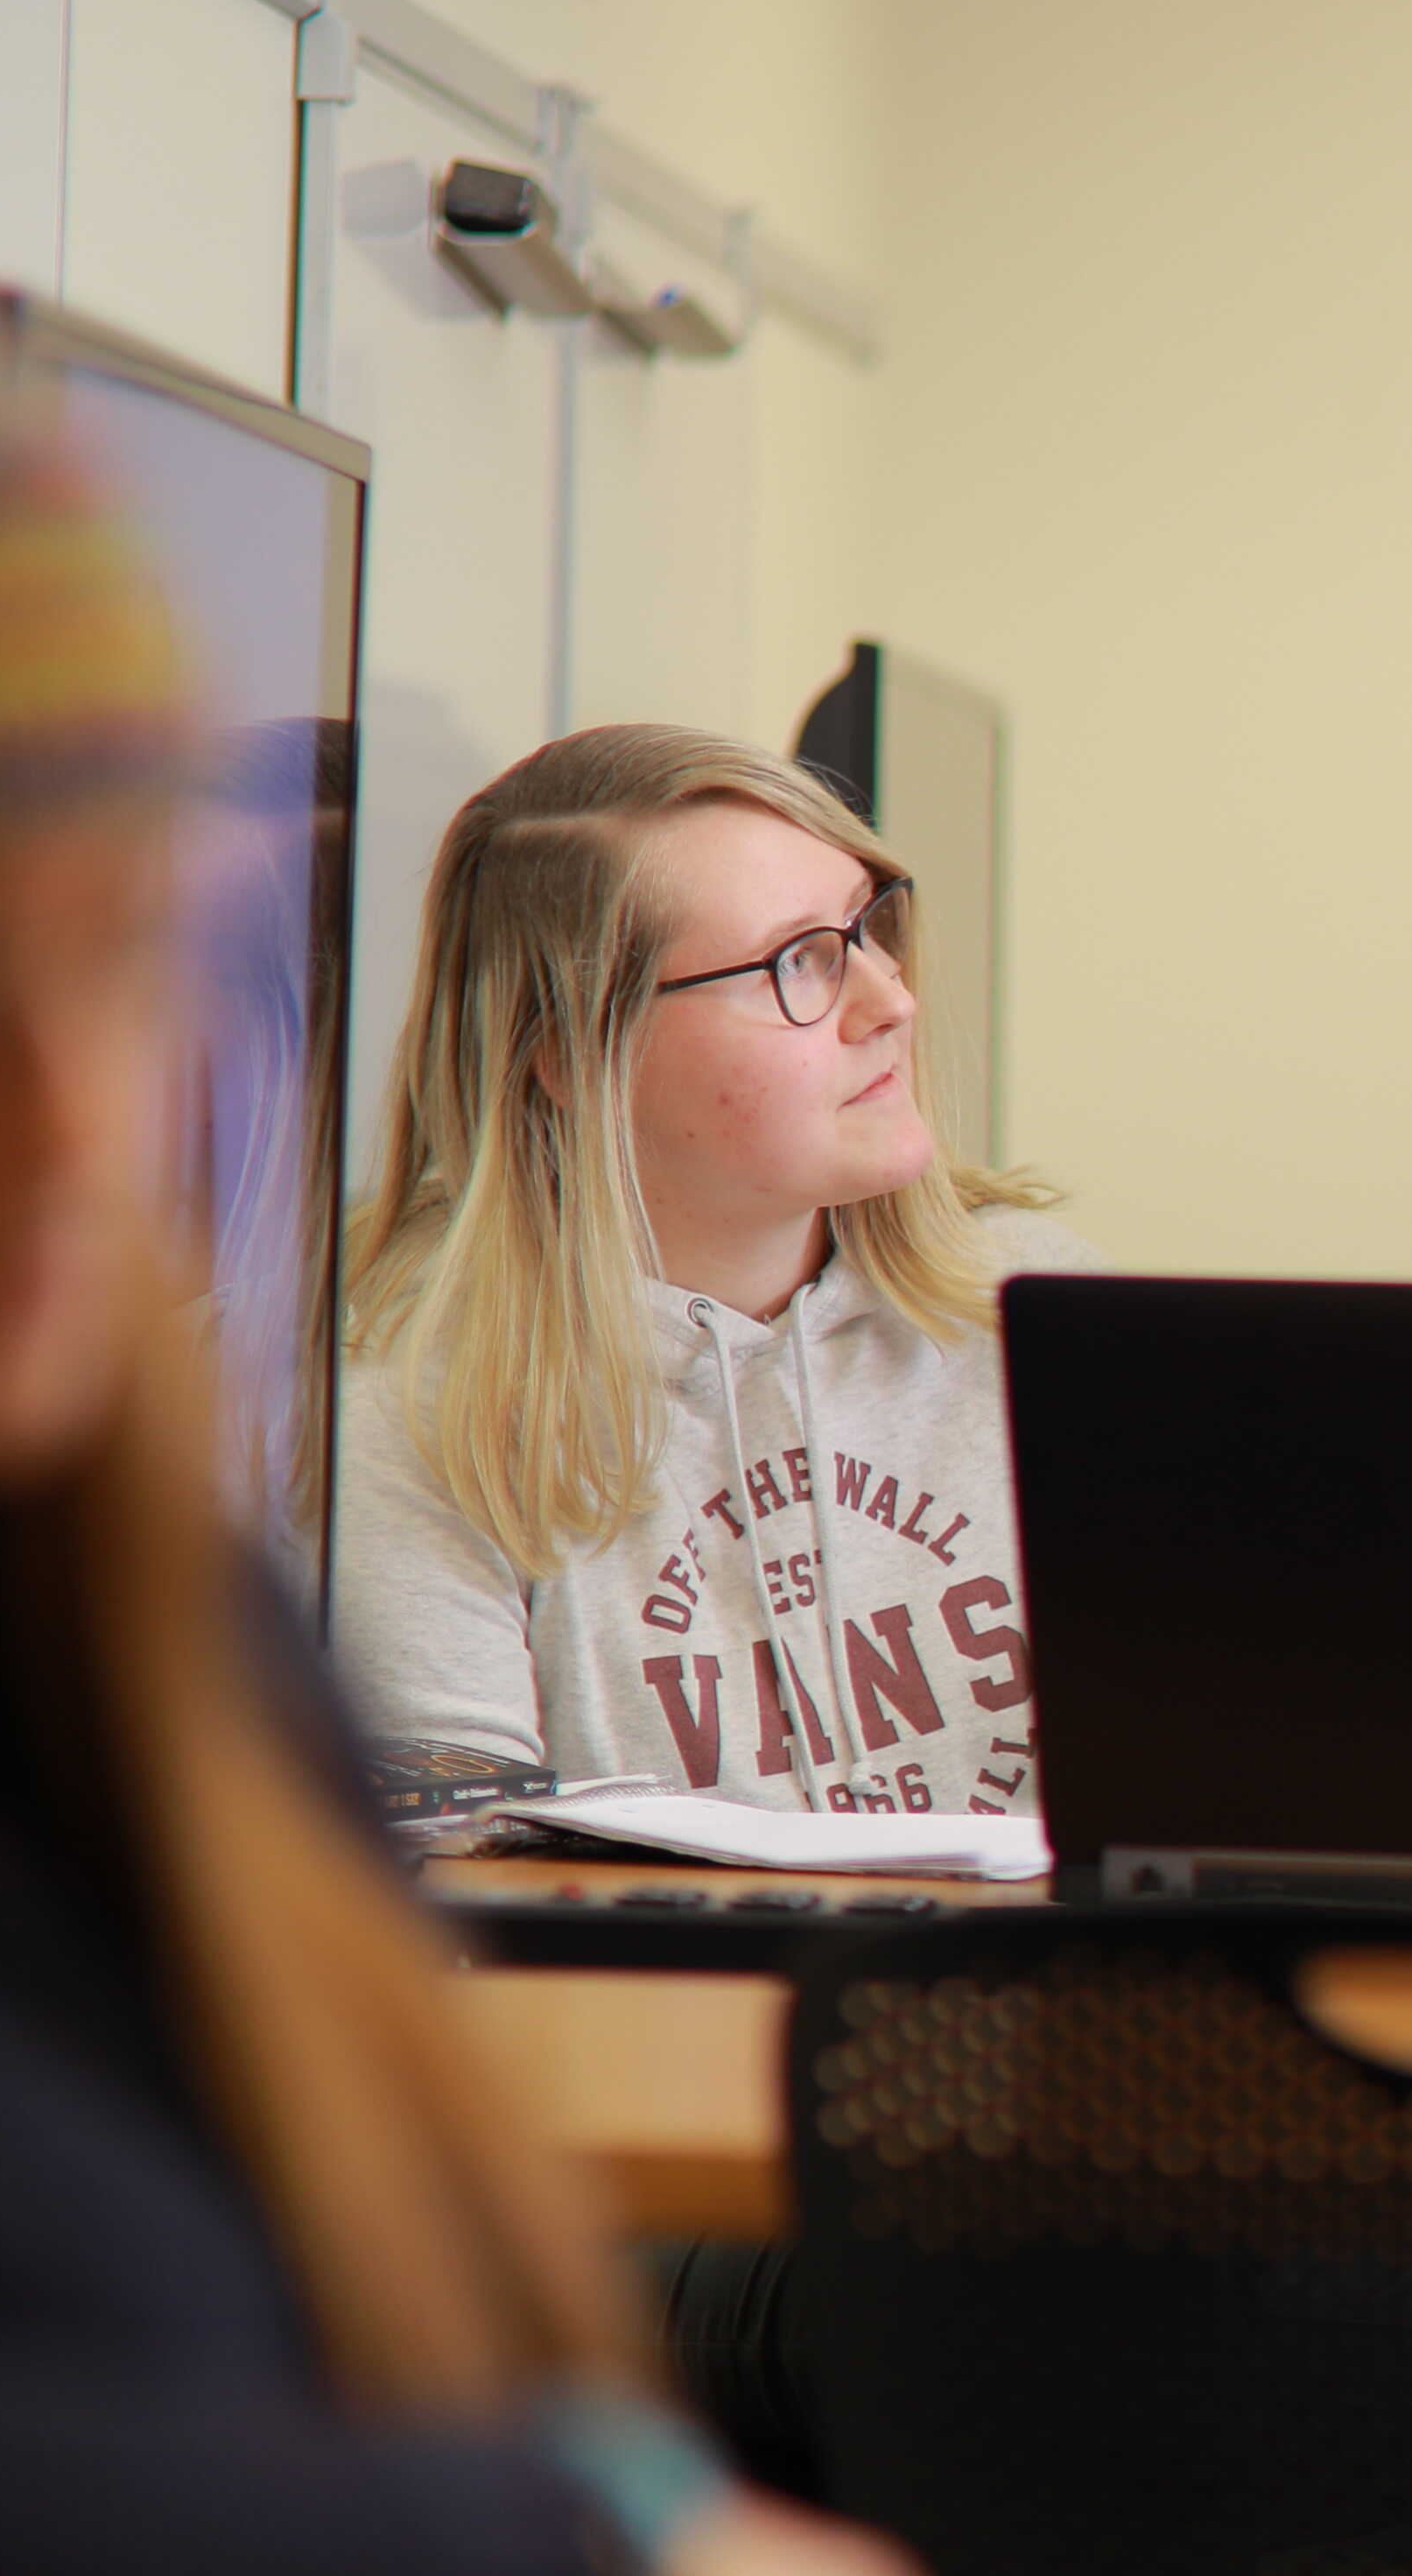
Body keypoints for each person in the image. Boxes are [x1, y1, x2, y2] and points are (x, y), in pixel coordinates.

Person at [0, 244, 935, 2576]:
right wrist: (594, 2552)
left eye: (115, 978)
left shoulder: (115, 1623)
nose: (80, 1136)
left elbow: (422, 2333)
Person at [332, 728, 1078, 1820]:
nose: (892, 1002)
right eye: (803, 962)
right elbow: (463, 1893)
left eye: (872, 929)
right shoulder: (405, 1411)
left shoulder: (1038, 1302)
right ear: (572, 1051)